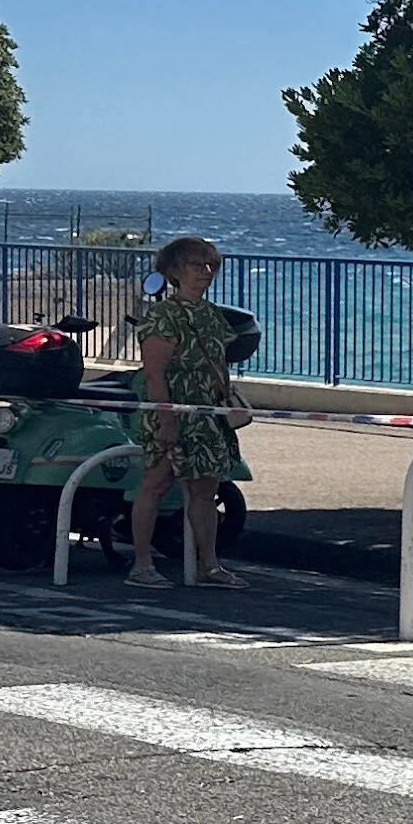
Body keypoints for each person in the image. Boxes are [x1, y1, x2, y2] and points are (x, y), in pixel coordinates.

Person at [130, 235, 251, 589]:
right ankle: (141, 564)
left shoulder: (212, 315)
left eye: (210, 265)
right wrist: (166, 419)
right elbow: (154, 372)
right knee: (155, 483)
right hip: (172, 409)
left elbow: (218, 362)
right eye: (198, 265)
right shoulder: (164, 316)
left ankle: (209, 565)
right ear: (174, 272)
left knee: (204, 489)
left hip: (206, 413)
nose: (207, 272)